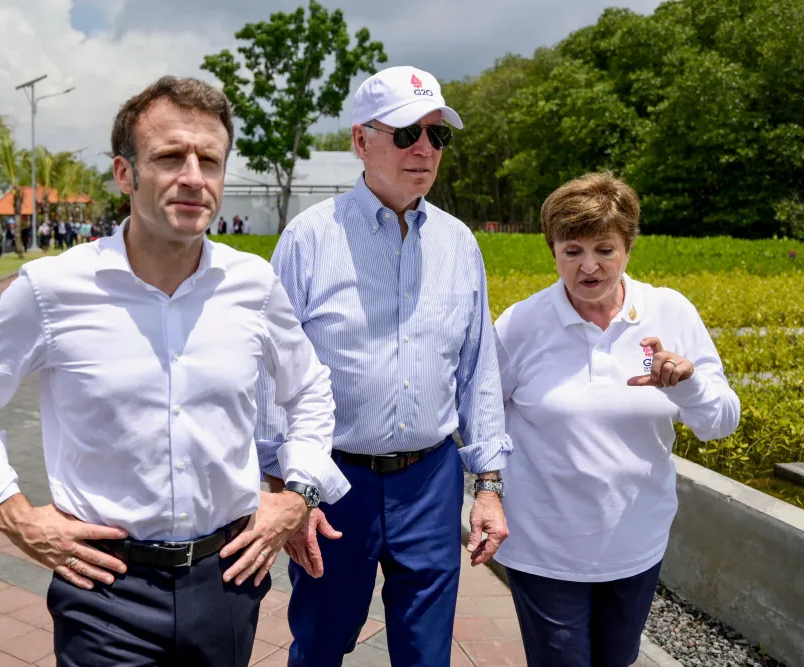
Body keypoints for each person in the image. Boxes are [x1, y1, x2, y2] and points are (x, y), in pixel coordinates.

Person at [0, 75, 349, 667]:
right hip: (105, 585)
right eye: (170, 157)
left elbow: (309, 389)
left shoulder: (252, 285)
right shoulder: (53, 290)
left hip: (227, 577)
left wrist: (300, 493)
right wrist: (12, 511)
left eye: (210, 160)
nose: (193, 178)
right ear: (125, 174)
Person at [255, 65, 511, 667]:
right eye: (405, 134)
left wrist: (490, 487)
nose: (423, 149)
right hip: (333, 482)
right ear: (360, 141)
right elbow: (271, 375)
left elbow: (478, 371)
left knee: (426, 653)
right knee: (322, 640)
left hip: (430, 479)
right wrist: (285, 490)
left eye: (436, 136)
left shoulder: (458, 244)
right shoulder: (309, 240)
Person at [493, 172, 741, 667]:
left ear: (628, 247)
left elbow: (721, 421)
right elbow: (481, 419)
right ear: (552, 250)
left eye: (605, 249)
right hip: (544, 546)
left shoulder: (669, 311)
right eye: (572, 250)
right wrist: (488, 491)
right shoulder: (521, 324)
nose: (589, 266)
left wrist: (688, 383)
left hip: (636, 543)